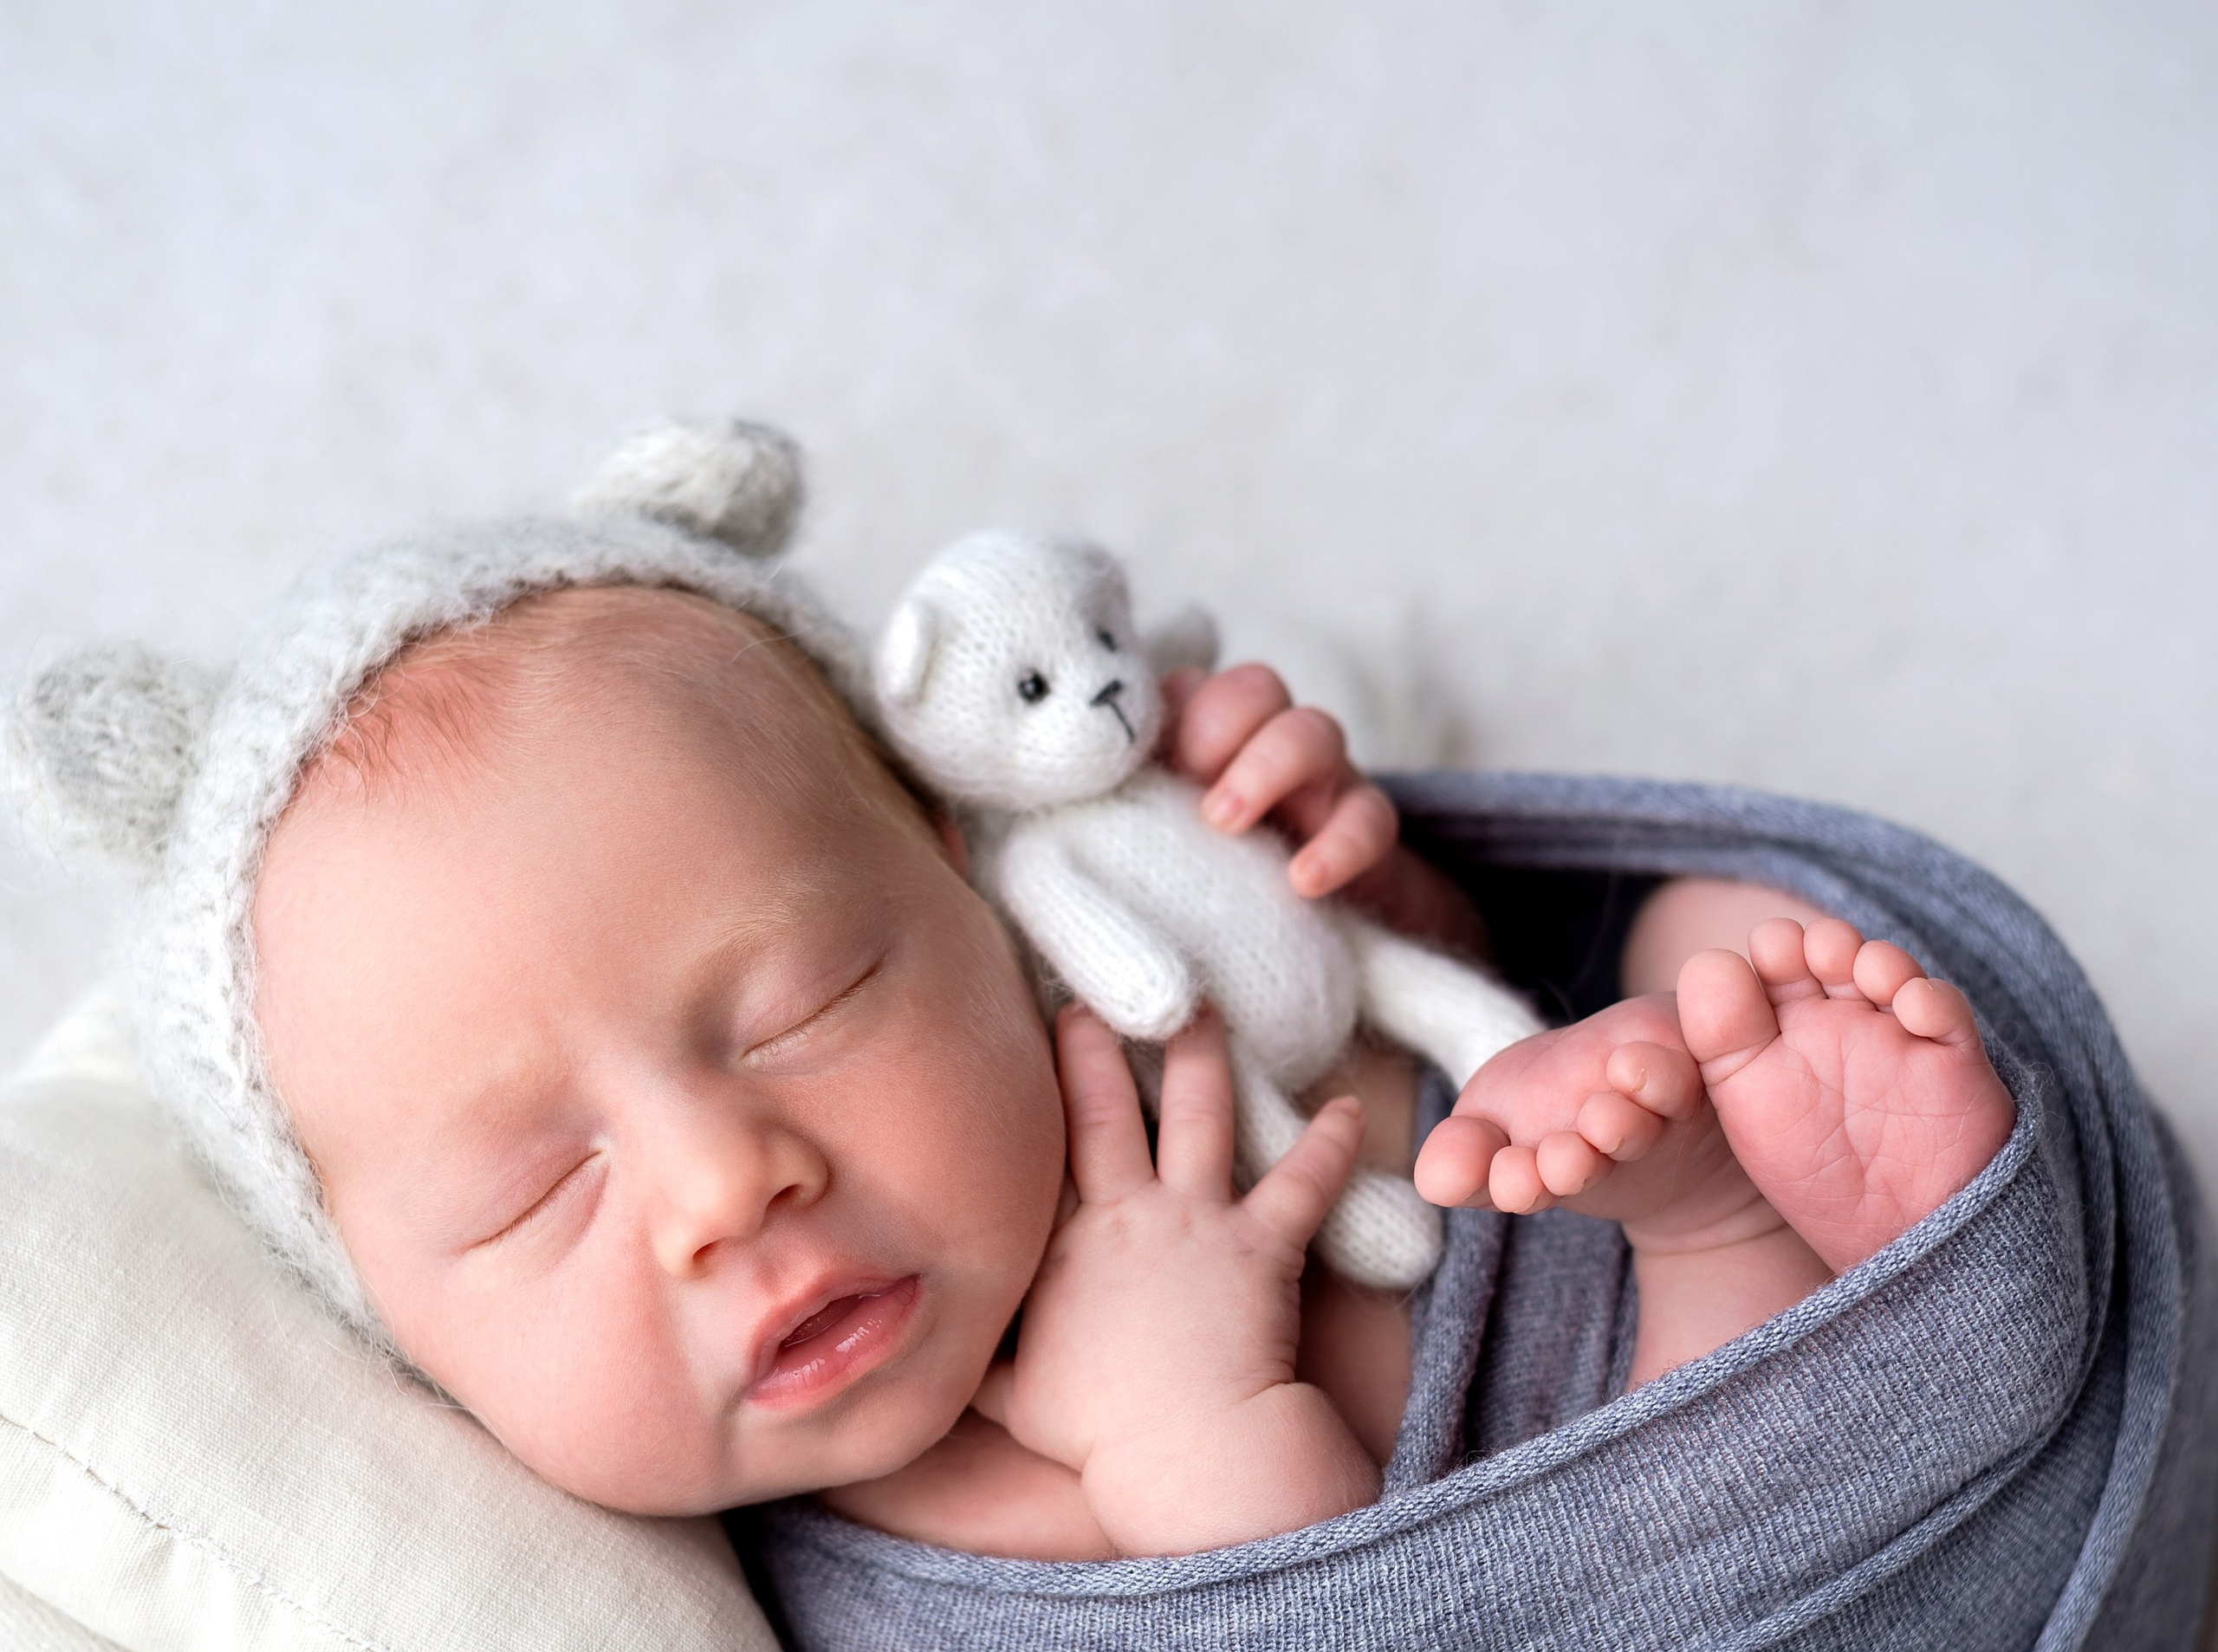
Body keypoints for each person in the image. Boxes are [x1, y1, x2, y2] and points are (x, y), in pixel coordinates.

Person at [245, 580, 2013, 1560]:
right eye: (540, 1185)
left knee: (1691, 925)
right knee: (1686, 1488)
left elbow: (1417, 985)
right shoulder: (912, 1485)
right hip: (1639, 1486)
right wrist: (1176, 1421)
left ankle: (1772, 1056)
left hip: (1521, 1107)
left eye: (802, 1003)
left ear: (962, 875)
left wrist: (1326, 861)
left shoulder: (1086, 999)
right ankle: (1748, 1226)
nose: (727, 1181)